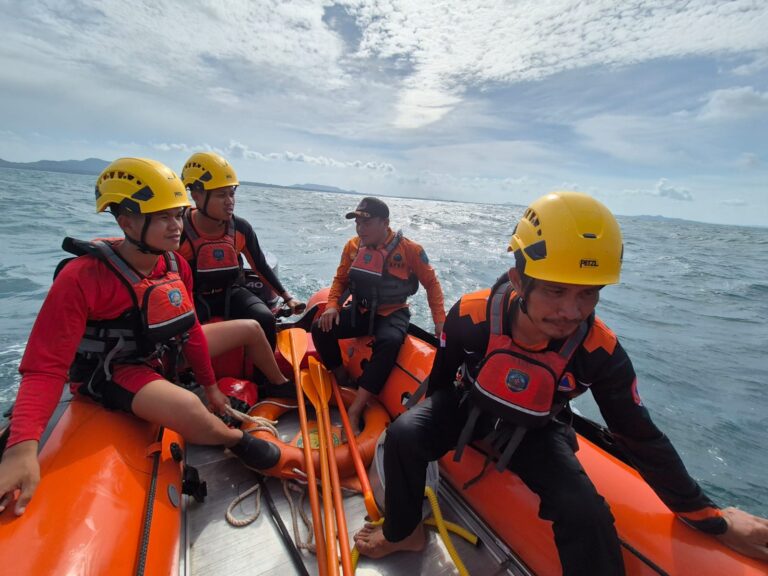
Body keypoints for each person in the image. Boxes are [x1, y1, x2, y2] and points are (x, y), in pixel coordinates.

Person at [353, 192, 768, 573]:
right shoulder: (472, 316)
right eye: (555, 291)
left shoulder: (598, 351)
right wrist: (427, 423)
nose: (571, 312)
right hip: (470, 403)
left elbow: (640, 436)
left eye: (588, 294)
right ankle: (404, 531)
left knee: (584, 510)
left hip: (536, 428)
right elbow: (443, 379)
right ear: (518, 280)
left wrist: (710, 519)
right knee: (406, 435)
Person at [0, 158, 291, 517]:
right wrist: (22, 446)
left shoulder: (173, 265)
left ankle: (279, 384)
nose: (177, 226)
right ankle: (235, 440)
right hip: (117, 369)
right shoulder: (82, 277)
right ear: (127, 222)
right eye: (165, 217)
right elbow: (45, 368)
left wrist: (211, 386)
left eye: (178, 214)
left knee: (250, 327)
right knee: (188, 406)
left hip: (163, 352)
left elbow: (190, 332)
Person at [312, 197, 446, 433]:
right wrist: (332, 304)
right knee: (319, 328)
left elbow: (431, 284)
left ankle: (355, 410)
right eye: (357, 223)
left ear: (385, 223)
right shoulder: (352, 247)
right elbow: (341, 279)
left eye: (366, 223)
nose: (360, 229)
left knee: (390, 342)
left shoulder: (410, 250)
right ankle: (342, 377)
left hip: (392, 312)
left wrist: (439, 321)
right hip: (360, 310)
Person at [178, 151, 304, 349]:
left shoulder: (240, 228)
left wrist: (288, 298)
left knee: (265, 318)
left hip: (231, 292)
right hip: (192, 297)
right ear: (197, 195)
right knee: (181, 333)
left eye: (232, 193)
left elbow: (260, 266)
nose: (230, 201)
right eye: (221, 195)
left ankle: (264, 379)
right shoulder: (179, 231)